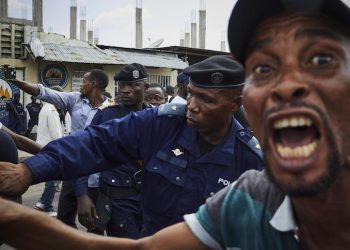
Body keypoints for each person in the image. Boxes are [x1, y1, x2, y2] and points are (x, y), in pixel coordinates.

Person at [0, 55, 263, 240]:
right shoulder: (161, 125)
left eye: (207, 99)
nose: (192, 105)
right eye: (192, 94)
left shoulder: (251, 160)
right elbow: (95, 143)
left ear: (235, 103)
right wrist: (30, 170)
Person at [6, 69, 109, 229]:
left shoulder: (110, 109)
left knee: (94, 223)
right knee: (64, 219)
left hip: (96, 175)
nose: (81, 84)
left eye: (84, 81)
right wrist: (18, 82)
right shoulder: (75, 100)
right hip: (73, 170)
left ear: (93, 84)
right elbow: (44, 93)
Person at [75, 63, 150, 238]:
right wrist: (81, 195)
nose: (125, 90)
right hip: (118, 200)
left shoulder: (154, 117)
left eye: (133, 85)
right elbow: (84, 153)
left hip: (149, 199)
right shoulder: (106, 116)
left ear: (145, 87)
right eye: (122, 85)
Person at [33, 86, 71, 217]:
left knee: (51, 177)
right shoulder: (53, 110)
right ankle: (46, 206)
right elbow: (56, 134)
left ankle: (42, 203)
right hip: (51, 148)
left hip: (43, 146)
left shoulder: (45, 107)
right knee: (53, 178)